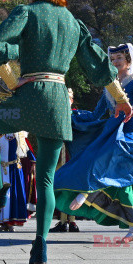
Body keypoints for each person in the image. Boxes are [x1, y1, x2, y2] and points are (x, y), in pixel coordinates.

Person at [0, 0, 133, 264]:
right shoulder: (72, 22)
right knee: (46, 181)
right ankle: (39, 247)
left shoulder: (26, 12)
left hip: (28, 99)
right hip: (57, 103)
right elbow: (97, 63)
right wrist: (120, 98)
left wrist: (13, 81)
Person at [53, 43, 133, 243]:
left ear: (128, 60)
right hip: (112, 130)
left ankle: (85, 192)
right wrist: (71, 114)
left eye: (119, 58)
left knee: (103, 159)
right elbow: (96, 114)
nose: (116, 62)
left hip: (132, 132)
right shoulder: (109, 84)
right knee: (117, 176)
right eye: (113, 60)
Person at [50, 88, 79, 233]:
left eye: (68, 98)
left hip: (71, 156)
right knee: (60, 188)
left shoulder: (75, 116)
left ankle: (71, 221)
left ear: (71, 100)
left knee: (72, 188)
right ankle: (63, 220)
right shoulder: (57, 114)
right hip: (60, 156)